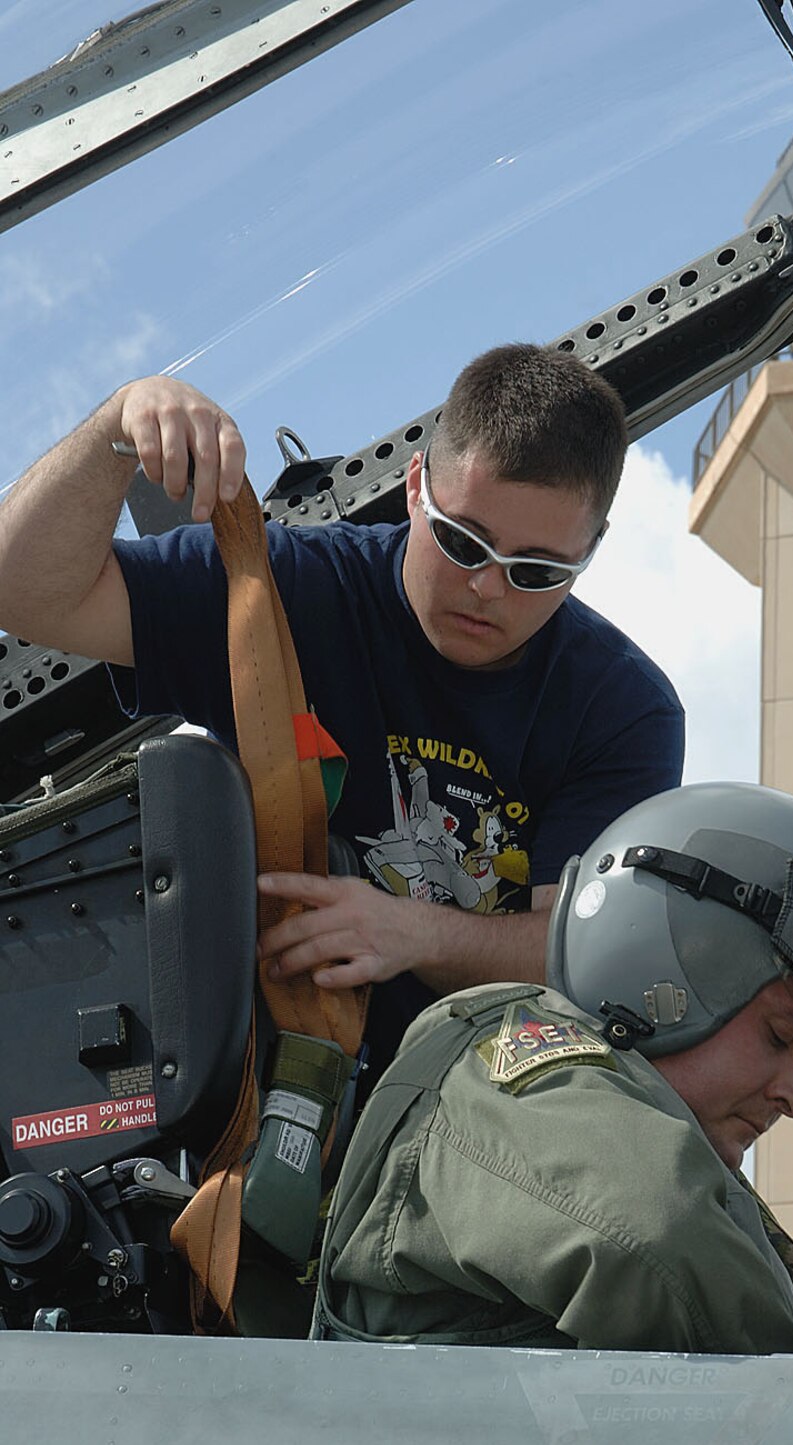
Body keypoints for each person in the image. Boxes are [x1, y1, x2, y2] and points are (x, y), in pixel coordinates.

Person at [0, 345, 684, 1081]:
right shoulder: (284, 592)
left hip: (474, 1118)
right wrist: (119, 425)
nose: (488, 587)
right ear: (417, 485)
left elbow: (579, 961)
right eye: (463, 542)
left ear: (593, 548)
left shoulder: (621, 709)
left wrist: (413, 933)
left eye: (536, 570)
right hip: (246, 1089)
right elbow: (24, 591)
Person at [315, 781, 793, 1355]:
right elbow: (658, 1240)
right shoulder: (508, 1068)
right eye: (781, 1035)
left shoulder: (663, 1153)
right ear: (667, 969)